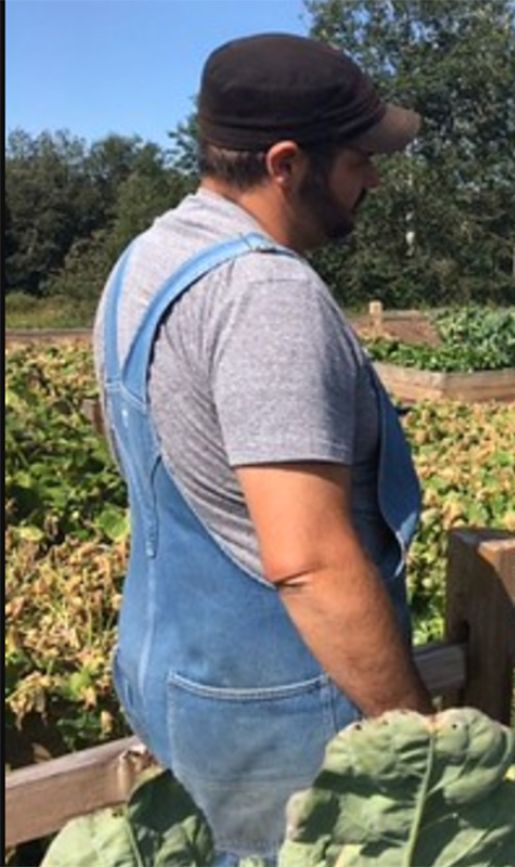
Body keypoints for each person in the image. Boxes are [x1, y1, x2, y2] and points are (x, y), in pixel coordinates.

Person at [92, 33, 431, 861]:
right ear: (286, 163)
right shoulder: (264, 292)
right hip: (274, 707)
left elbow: (129, 439)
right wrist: (418, 737)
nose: (374, 178)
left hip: (168, 666)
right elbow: (307, 559)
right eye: (359, 158)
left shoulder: (145, 261)